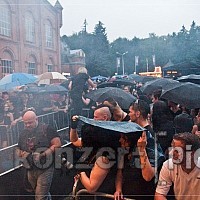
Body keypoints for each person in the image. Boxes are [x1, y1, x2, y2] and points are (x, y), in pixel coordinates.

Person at [114, 100, 165, 200]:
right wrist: (118, 188)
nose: (128, 115)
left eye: (130, 112)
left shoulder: (148, 137)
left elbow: (148, 176)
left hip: (143, 193)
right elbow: (121, 168)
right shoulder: (132, 132)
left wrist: (142, 149)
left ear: (138, 114)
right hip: (127, 192)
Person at [70, 105, 120, 194]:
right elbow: (75, 140)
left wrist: (80, 171)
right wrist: (73, 127)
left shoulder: (104, 156)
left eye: (95, 117)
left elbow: (92, 187)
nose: (93, 120)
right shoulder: (93, 145)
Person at [16, 109, 61, 200]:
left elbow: (57, 144)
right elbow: (18, 147)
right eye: (25, 123)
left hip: (45, 168)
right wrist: (20, 154)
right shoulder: (23, 133)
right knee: (39, 193)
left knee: (40, 196)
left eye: (30, 122)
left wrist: (43, 154)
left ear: (36, 119)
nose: (27, 125)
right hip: (30, 168)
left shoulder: (47, 129)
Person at [155, 133, 200, 200]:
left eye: (176, 151)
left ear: (191, 154)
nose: (170, 153)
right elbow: (159, 194)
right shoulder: (168, 165)